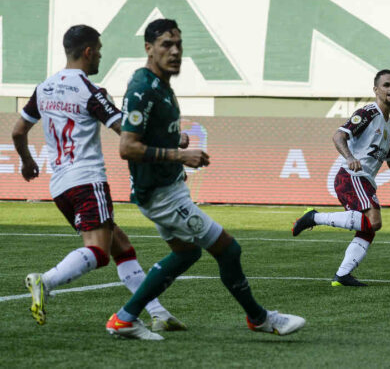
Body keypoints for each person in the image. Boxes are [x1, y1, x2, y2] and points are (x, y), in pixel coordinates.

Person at [105, 18, 305, 340]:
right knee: (229, 250)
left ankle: (126, 317)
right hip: (163, 197)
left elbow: (150, 134)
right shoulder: (143, 88)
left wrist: (176, 139)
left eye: (178, 45)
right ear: (148, 49)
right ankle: (260, 318)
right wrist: (179, 155)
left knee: (187, 253)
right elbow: (127, 147)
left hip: (165, 190)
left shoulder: (160, 84)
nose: (175, 51)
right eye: (166, 45)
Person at [12, 25, 183, 332]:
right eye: (100, 51)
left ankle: (159, 313)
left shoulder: (44, 88)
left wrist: (27, 162)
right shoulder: (89, 92)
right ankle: (45, 281)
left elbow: (18, 130)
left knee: (121, 246)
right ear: (88, 52)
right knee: (99, 251)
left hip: (61, 186)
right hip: (88, 180)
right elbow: (126, 131)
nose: (100, 56)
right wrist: (174, 141)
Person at [292, 69, 390, 286]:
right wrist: (349, 156)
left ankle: (342, 275)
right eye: (386, 85)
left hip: (366, 181)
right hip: (352, 175)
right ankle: (314, 217)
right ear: (376, 90)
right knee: (374, 221)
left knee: (368, 228)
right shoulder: (367, 113)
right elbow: (338, 136)